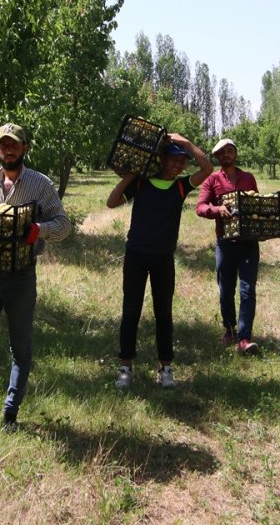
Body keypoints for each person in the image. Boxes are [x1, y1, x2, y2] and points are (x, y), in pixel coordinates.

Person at [0, 123, 72, 435]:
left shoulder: (40, 184)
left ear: (24, 148)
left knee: (20, 347)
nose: (8, 150)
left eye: (14, 144)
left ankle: (10, 413)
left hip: (21, 276)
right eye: (3, 145)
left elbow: (63, 224)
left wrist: (40, 229)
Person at [106, 133, 212, 390]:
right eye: (174, 158)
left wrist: (186, 143)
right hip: (136, 256)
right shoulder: (142, 183)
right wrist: (132, 174)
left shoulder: (181, 186)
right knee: (130, 311)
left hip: (163, 258)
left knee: (164, 313)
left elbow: (207, 168)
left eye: (182, 161)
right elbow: (111, 202)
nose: (178, 165)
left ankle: (165, 368)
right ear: (162, 159)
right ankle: (125, 366)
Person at [196, 138, 262, 354]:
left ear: (235, 154)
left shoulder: (248, 178)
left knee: (247, 291)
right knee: (226, 291)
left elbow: (256, 205)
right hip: (225, 243)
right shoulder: (211, 180)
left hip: (248, 244)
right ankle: (229, 330)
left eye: (230, 151)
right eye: (222, 152)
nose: (226, 155)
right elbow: (200, 207)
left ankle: (244, 338)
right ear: (217, 157)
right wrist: (217, 210)